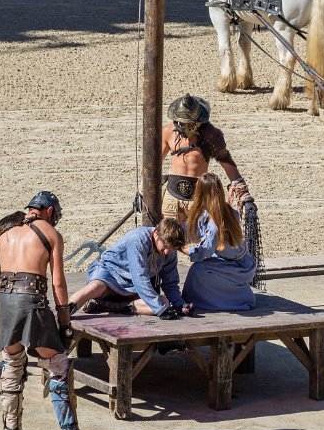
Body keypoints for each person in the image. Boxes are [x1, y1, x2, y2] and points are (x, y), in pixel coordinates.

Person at [0, 190, 104, 430]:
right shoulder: (50, 233)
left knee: (12, 363)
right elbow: (58, 284)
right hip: (32, 304)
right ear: (50, 212)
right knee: (59, 366)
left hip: (5, 303)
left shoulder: (4, 231)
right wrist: (64, 322)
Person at [70, 218, 191, 318]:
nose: (166, 252)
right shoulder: (138, 239)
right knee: (94, 288)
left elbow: (170, 283)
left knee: (164, 302)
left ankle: (111, 306)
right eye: (164, 247)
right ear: (156, 234)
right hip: (109, 273)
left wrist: (180, 305)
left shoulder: (170, 251)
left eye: (170, 249)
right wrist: (160, 309)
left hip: (131, 287)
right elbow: (140, 277)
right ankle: (65, 312)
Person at [160, 94, 248, 223]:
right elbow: (155, 163)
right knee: (168, 238)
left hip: (200, 198)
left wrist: (240, 186)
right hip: (172, 198)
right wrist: (143, 187)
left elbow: (227, 162)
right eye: (179, 120)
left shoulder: (212, 135)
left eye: (186, 122)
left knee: (200, 240)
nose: (181, 124)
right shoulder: (168, 132)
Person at [181, 173, 256, 311]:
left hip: (239, 267)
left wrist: (181, 248)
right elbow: (195, 229)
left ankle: (233, 301)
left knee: (198, 270)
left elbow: (203, 251)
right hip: (239, 260)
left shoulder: (215, 225)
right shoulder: (226, 211)